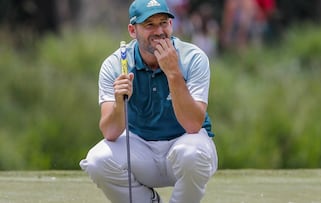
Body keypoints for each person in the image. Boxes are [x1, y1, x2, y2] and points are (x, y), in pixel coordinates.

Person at [79, 0, 218, 202]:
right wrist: (120, 102)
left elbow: (193, 124)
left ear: (171, 25)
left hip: (185, 142)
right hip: (140, 149)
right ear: (132, 31)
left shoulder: (193, 58)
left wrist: (173, 73)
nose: (159, 31)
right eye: (149, 25)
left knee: (191, 155)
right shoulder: (116, 64)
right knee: (96, 161)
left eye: (163, 22)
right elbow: (110, 132)